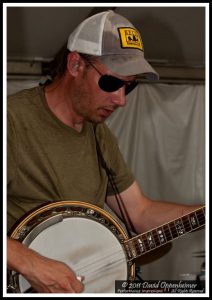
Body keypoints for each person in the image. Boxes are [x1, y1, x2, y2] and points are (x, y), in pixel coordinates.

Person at [7, 10, 203, 293]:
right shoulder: (13, 121)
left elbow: (141, 211)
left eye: (129, 85)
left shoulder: (100, 136)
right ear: (76, 65)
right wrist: (31, 263)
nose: (121, 100)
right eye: (111, 83)